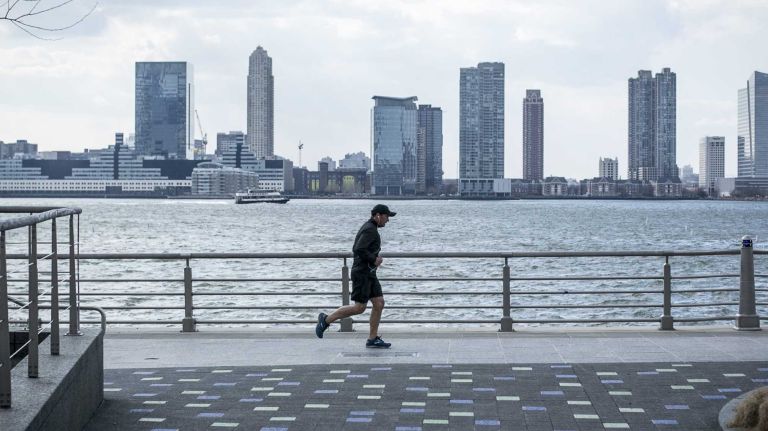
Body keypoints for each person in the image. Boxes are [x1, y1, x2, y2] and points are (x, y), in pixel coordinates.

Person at [315, 204, 396, 348]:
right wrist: (374, 259)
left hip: (369, 273)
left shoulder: (371, 228)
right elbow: (358, 249)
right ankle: (326, 319)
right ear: (378, 215)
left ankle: (372, 339)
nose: (388, 220)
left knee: (379, 303)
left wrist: (374, 259)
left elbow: (362, 249)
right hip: (362, 273)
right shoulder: (370, 230)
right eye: (386, 216)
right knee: (359, 308)